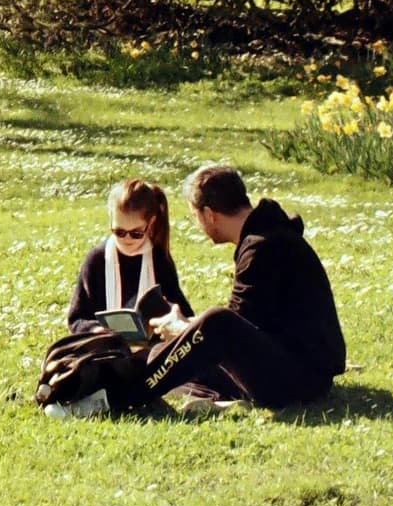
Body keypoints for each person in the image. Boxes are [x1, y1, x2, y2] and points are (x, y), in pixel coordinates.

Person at [141, 165, 346, 408]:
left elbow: (226, 330)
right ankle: (216, 401)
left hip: (298, 381)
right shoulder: (269, 234)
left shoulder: (263, 247)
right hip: (298, 369)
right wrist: (189, 330)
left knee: (214, 321)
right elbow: (247, 324)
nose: (199, 224)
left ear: (209, 214)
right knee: (162, 355)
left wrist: (182, 328)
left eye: (195, 216)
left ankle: (128, 395)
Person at [64, 178, 193, 331]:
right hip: (105, 346)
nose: (127, 239)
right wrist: (96, 329)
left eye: (136, 233)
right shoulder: (97, 259)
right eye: (119, 232)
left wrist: (168, 319)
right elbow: (77, 319)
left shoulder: (158, 259)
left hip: (151, 348)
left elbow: (183, 314)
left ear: (151, 223)